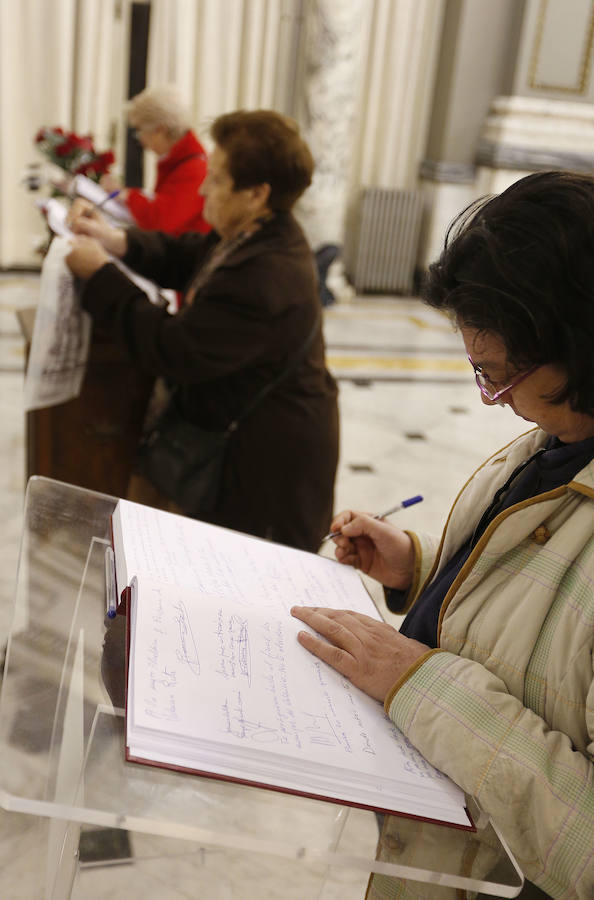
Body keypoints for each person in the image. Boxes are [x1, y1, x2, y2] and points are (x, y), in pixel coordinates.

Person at [291, 171, 594, 899]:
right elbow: (546, 615)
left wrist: (420, 686)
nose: (493, 401)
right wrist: (419, 569)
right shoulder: (559, 437)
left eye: (498, 375)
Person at [65, 109, 339, 554]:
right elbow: (190, 254)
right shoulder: (258, 231)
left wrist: (100, 277)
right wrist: (117, 241)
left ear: (255, 193)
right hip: (250, 443)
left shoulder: (267, 272)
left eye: (214, 178)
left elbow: (173, 348)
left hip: (268, 467)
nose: (202, 188)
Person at [99, 84, 210, 236]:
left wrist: (128, 196)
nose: (140, 140)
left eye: (139, 130)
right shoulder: (181, 160)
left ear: (159, 129)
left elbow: (162, 223)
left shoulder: (194, 168)